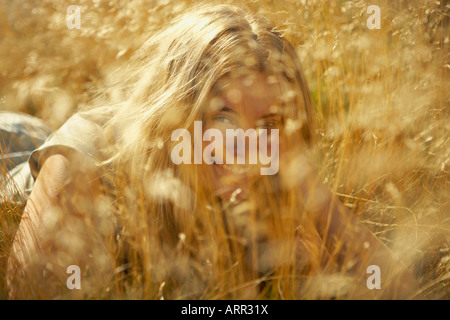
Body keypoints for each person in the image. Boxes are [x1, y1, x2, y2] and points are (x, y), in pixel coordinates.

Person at [4, 4, 418, 299]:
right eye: (223, 116)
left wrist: (307, 186)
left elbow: (394, 288)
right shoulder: (87, 158)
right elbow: (29, 292)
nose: (243, 147)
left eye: (268, 122)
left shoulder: (270, 174)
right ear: (175, 110)